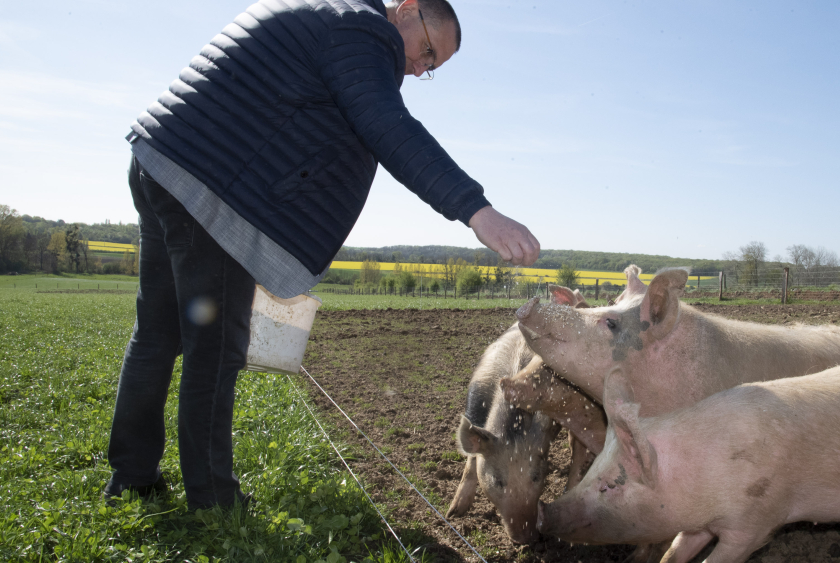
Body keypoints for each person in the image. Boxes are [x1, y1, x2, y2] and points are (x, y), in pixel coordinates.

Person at [104, 0, 540, 510]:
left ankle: (131, 479)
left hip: (165, 158)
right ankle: (212, 500)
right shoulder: (362, 30)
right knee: (216, 348)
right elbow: (387, 127)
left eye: (430, 69)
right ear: (407, 9)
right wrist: (476, 210)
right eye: (426, 51)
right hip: (209, 188)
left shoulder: (329, 13)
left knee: (157, 331)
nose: (420, 68)